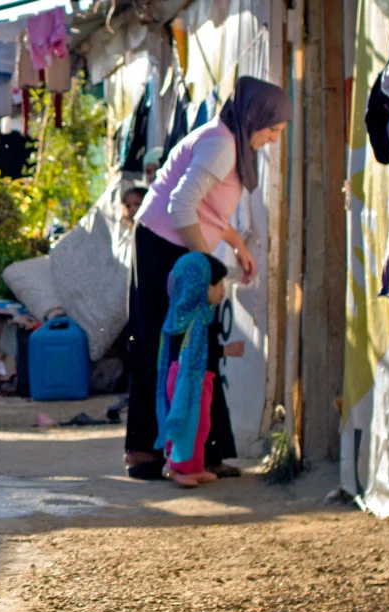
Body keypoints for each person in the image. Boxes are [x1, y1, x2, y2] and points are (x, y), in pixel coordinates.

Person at [126, 76, 291, 481]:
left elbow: (209, 211)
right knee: (169, 347)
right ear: (255, 118)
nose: (272, 139)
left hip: (169, 244)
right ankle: (154, 452)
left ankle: (198, 451)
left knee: (194, 348)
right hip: (162, 246)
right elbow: (182, 205)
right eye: (272, 129)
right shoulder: (221, 146)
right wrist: (208, 265)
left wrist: (236, 244)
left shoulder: (228, 141)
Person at [157, 253, 229, 488]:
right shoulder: (188, 318)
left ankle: (194, 467)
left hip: (200, 380)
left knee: (201, 425)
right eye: (217, 285)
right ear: (198, 286)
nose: (222, 291)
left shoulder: (204, 315)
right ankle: (174, 466)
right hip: (184, 381)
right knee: (184, 423)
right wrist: (228, 350)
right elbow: (199, 351)